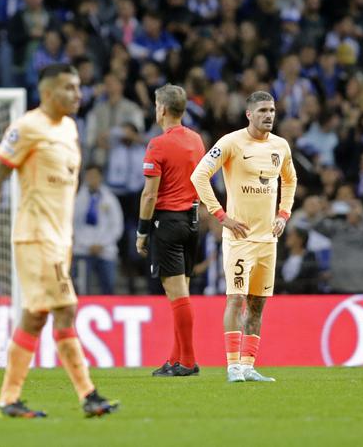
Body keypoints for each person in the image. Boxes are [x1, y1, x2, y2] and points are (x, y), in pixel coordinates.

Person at [0, 64, 119, 418]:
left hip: (60, 238)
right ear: (48, 93)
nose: (78, 94)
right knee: (66, 309)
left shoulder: (69, 128)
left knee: (35, 317)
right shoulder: (26, 127)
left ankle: (8, 399)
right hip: (36, 236)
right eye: (69, 88)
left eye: (79, 87)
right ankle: (89, 395)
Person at [191, 90, 297, 382]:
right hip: (239, 239)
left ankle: (248, 366)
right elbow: (199, 175)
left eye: (272, 111)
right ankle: (232, 366)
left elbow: (290, 180)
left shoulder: (280, 146)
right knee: (235, 299)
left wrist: (283, 214)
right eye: (263, 110)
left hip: (268, 241)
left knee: (256, 305)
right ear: (249, 114)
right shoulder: (231, 142)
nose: (269, 116)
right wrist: (221, 216)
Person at [136, 84, 205, 377]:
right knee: (183, 292)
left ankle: (187, 361)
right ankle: (176, 359)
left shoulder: (158, 144)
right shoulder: (197, 140)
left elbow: (149, 195)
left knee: (177, 295)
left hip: (167, 222)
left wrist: (141, 231)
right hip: (192, 221)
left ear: (162, 109)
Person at [72, 164, 123, 294]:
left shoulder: (110, 199)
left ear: (101, 177)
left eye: (95, 176)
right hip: (82, 250)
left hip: (105, 250)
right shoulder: (77, 199)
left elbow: (117, 226)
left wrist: (102, 245)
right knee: (81, 288)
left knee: (108, 287)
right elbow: (72, 224)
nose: (92, 179)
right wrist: (87, 245)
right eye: (89, 176)